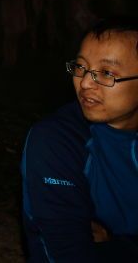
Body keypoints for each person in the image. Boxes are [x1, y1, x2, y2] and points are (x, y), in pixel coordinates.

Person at [21, 18, 138, 262]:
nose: (85, 83)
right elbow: (63, 250)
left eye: (107, 73)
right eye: (81, 67)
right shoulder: (58, 141)